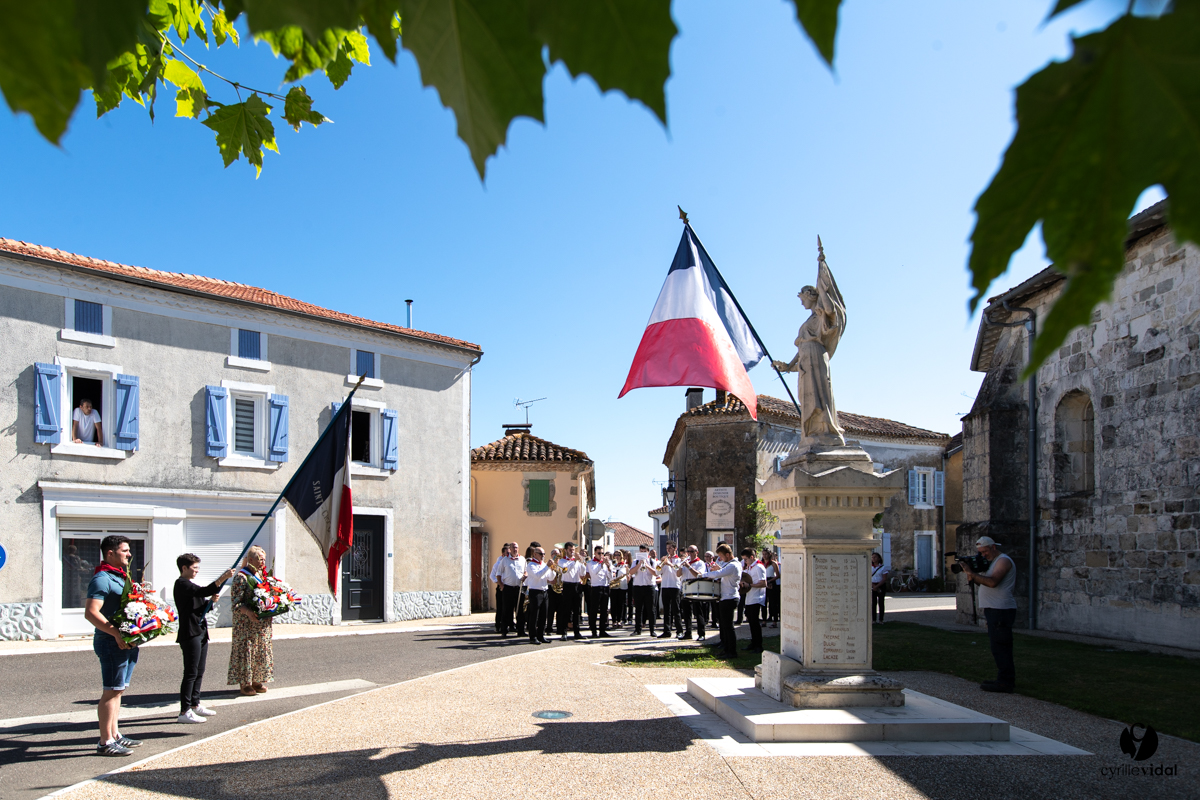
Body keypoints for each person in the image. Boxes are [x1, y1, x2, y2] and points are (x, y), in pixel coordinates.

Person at [84, 535, 142, 756]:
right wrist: (116, 633)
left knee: (118, 690)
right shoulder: (102, 579)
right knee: (111, 691)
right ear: (110, 553)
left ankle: (115, 735)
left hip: (125, 642)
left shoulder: (120, 576)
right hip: (111, 642)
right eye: (125, 550)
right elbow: (91, 612)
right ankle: (105, 742)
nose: (129, 554)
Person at [174, 554, 235, 724]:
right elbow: (203, 591)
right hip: (190, 633)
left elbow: (200, 607)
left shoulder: (191, 585)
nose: (197, 571)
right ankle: (184, 711)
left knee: (199, 671)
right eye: (194, 568)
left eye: (198, 568)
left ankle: (195, 704)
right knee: (190, 672)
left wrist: (210, 602)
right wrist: (223, 577)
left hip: (200, 631)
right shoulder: (182, 584)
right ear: (184, 568)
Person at [961, 536, 1017, 693]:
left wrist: (971, 573)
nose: (983, 555)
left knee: (1001, 646)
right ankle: (1003, 678)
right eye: (980, 552)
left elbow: (992, 582)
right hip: (993, 609)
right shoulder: (993, 562)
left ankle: (1005, 682)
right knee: (997, 646)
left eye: (985, 551)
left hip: (1001, 609)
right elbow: (985, 582)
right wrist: (973, 576)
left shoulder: (1003, 561)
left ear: (993, 547)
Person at [227, 546, 274, 696]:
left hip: (260, 625)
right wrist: (248, 612)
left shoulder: (261, 575)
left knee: (260, 651)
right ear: (251, 560)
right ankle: (245, 683)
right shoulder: (241, 577)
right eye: (260, 560)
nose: (263, 562)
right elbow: (236, 603)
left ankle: (256, 680)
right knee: (247, 652)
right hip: (246, 625)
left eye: (264, 560)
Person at [706, 543, 742, 658]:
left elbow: (719, 574)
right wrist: (719, 568)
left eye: (721, 556)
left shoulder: (733, 565)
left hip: (730, 598)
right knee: (725, 626)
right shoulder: (730, 565)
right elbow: (723, 573)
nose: (720, 559)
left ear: (727, 554)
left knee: (728, 627)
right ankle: (726, 649)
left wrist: (702, 575)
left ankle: (731, 652)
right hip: (725, 597)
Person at [524, 547, 555, 645]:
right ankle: (533, 637)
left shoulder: (543, 565)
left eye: (544, 554)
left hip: (544, 591)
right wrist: (547, 567)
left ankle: (541, 635)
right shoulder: (531, 565)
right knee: (534, 615)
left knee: (543, 615)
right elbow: (537, 576)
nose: (543, 556)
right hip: (535, 592)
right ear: (535, 554)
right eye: (541, 554)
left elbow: (550, 578)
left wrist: (552, 569)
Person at [495, 542, 524, 638]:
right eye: (513, 547)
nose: (515, 549)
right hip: (508, 588)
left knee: (519, 610)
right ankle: (504, 630)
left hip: (518, 588)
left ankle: (521, 630)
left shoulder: (522, 559)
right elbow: (498, 573)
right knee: (506, 610)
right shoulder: (505, 560)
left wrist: (525, 575)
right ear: (510, 549)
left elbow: (525, 571)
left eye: (516, 547)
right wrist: (501, 585)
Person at [557, 543, 586, 641]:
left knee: (577, 610)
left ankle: (577, 632)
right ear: (565, 550)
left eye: (573, 549)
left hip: (577, 585)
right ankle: (564, 632)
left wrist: (582, 562)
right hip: (567, 585)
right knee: (566, 610)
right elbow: (565, 570)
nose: (572, 551)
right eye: (570, 549)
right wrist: (575, 561)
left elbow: (582, 573)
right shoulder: (562, 561)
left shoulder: (576, 561)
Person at [679, 545, 707, 641]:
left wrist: (689, 566)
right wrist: (680, 566)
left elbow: (698, 575)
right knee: (686, 613)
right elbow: (678, 574)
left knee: (698, 612)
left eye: (692, 551)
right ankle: (688, 633)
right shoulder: (686, 562)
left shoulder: (700, 563)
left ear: (697, 552)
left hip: (696, 589)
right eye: (689, 551)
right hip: (686, 589)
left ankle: (701, 634)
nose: (690, 553)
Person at [741, 548, 767, 653]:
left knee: (755, 623)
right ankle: (753, 642)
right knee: (751, 622)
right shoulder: (749, 567)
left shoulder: (759, 567)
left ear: (752, 557)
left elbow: (763, 583)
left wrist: (749, 585)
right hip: (749, 597)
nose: (745, 562)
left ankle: (758, 645)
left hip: (757, 598)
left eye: (746, 559)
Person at [586, 546, 613, 639]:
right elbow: (594, 573)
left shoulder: (606, 563)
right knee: (594, 610)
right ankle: (593, 631)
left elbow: (611, 577)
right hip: (595, 587)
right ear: (595, 553)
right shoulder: (590, 563)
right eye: (599, 553)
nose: (601, 555)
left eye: (602, 553)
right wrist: (601, 564)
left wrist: (608, 567)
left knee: (604, 611)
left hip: (605, 587)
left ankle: (602, 630)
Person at [630, 545, 658, 636]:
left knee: (651, 609)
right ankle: (637, 629)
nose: (642, 553)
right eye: (641, 551)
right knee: (638, 609)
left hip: (649, 587)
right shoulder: (635, 561)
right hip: (638, 587)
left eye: (644, 551)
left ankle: (652, 630)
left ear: (648, 552)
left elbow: (656, 573)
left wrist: (647, 565)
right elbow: (631, 572)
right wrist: (639, 564)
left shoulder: (652, 561)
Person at [658, 542, 683, 639]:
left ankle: (679, 631)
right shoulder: (665, 560)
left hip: (675, 586)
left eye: (670, 548)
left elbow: (678, 571)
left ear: (675, 548)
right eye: (667, 548)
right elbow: (657, 572)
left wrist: (669, 564)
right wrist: (661, 564)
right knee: (666, 610)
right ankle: (667, 631)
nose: (668, 550)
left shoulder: (679, 560)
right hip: (665, 586)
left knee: (676, 610)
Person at [489, 544, 509, 633]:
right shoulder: (498, 564)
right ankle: (498, 625)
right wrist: (499, 583)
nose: (509, 555)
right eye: (507, 553)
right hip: (501, 587)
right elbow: (492, 576)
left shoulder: (510, 562)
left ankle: (507, 625)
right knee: (500, 608)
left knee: (507, 608)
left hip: (508, 587)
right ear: (503, 554)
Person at [609, 551, 628, 628]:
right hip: (613, 586)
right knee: (613, 604)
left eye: (618, 555)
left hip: (622, 586)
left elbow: (628, 575)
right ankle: (614, 621)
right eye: (615, 555)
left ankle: (619, 620)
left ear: (621, 556)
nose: (617, 556)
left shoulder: (624, 565)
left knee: (621, 604)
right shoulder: (611, 564)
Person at [870, 553, 889, 624]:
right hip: (872, 585)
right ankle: (873, 620)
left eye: (875, 557)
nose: (873, 558)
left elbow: (884, 578)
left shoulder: (883, 567)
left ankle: (881, 619)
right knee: (873, 603)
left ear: (879, 558)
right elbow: (868, 576)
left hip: (880, 585)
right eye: (872, 557)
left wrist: (877, 586)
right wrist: (873, 586)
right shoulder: (870, 567)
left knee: (881, 602)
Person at [763, 550, 780, 627]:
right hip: (764, 581)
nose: (764, 556)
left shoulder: (773, 563)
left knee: (773, 602)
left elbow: (777, 575)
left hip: (771, 582)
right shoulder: (762, 563)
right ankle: (764, 620)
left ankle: (775, 621)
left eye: (766, 554)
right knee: (763, 602)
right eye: (763, 554)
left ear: (769, 554)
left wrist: (770, 581)